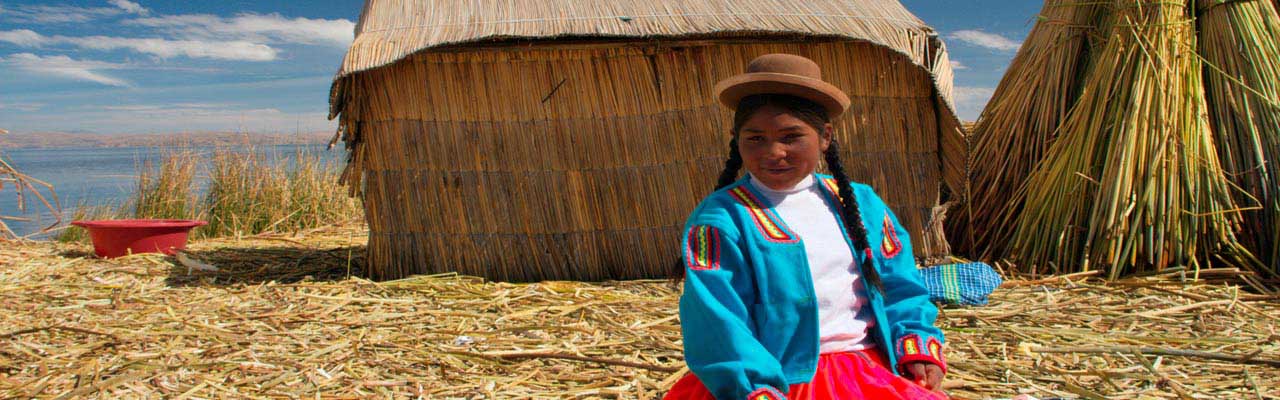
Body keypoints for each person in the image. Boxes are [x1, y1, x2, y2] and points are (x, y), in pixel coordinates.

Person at [664, 54, 948, 400]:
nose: (774, 151)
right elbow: (716, 318)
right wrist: (753, 388)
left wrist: (915, 343)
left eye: (791, 136)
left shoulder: (860, 205)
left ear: (825, 136)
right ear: (735, 139)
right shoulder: (721, 218)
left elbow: (898, 282)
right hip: (771, 379)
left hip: (864, 374)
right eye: (755, 138)